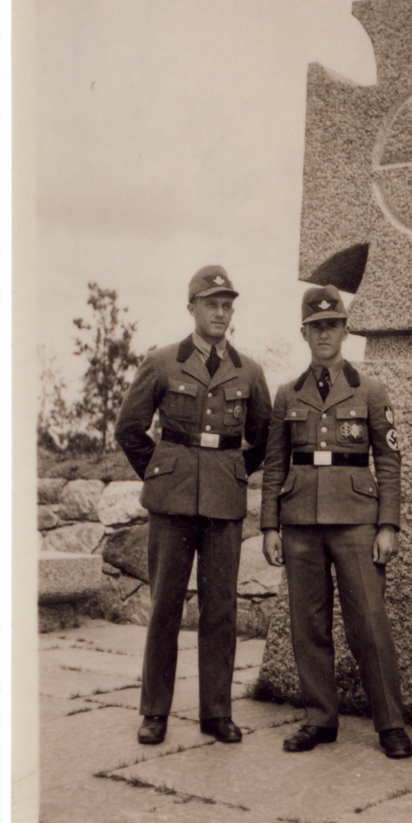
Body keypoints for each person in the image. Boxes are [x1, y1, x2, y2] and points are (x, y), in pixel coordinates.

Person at [115, 265, 271, 745]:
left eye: (227, 305)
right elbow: (129, 428)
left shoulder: (249, 371)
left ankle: (216, 712)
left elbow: (262, 436)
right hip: (172, 500)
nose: (221, 313)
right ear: (192, 309)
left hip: (223, 502)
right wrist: (162, 473)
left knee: (220, 608)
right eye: (212, 304)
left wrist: (232, 471)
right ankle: (155, 711)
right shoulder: (163, 362)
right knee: (165, 606)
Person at [260, 285, 412, 759]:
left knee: (368, 621)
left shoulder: (370, 390)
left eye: (332, 325)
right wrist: (270, 525)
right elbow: (274, 463)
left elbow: (389, 460)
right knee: (308, 624)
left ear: (345, 330)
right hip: (301, 520)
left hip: (356, 521)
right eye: (315, 326)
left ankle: (390, 723)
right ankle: (319, 719)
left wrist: (388, 523)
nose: (324, 334)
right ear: (304, 333)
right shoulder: (287, 394)